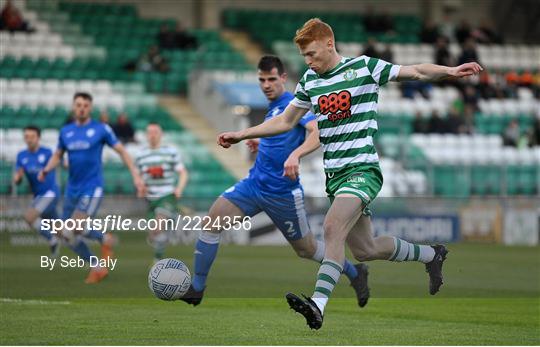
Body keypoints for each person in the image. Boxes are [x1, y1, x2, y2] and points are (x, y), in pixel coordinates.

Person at [217, 18, 482, 330]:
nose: (308, 60)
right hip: (335, 175)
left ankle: (318, 304)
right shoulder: (309, 82)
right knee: (365, 249)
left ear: (330, 44)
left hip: (362, 169)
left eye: (312, 53)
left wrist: (449, 72)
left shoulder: (364, 68)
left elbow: (416, 71)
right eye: (304, 56)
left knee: (331, 227)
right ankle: (431, 254)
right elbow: (286, 122)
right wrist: (242, 133)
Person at [181, 56, 370, 308]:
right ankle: (197, 288)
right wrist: (262, 143)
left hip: (283, 193)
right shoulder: (273, 108)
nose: (266, 84)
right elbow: (279, 136)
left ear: (283, 78)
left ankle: (356, 273)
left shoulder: (294, 104)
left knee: (307, 250)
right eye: (262, 79)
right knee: (211, 222)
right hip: (254, 184)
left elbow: (317, 133)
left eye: (271, 79)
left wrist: (296, 154)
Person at [39, 92, 145, 284]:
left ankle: (102, 240)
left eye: (85, 105)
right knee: (62, 232)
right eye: (78, 105)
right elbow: (58, 154)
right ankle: (98, 261)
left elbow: (122, 151)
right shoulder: (66, 131)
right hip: (72, 188)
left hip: (92, 186)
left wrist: (136, 175)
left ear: (90, 108)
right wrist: (46, 169)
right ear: (73, 107)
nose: (81, 108)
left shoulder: (101, 129)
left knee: (76, 226)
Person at [135, 123, 189, 262]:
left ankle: (157, 260)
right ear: (146, 135)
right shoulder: (141, 155)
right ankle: (158, 257)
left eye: (155, 132)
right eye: (150, 132)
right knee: (154, 234)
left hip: (167, 195)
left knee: (159, 226)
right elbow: (138, 176)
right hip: (150, 198)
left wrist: (179, 189)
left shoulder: (170, 152)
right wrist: (140, 186)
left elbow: (183, 173)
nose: (152, 135)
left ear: (161, 135)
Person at [13, 126, 60, 257]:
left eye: (32, 137)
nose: (29, 140)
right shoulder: (21, 156)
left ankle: (52, 239)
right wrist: (18, 178)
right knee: (62, 230)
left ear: (38, 138)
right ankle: (99, 236)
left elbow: (55, 164)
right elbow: (17, 179)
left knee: (29, 217)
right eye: (26, 137)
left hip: (50, 193)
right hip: (38, 196)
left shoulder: (47, 152)